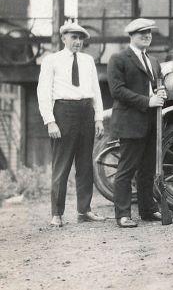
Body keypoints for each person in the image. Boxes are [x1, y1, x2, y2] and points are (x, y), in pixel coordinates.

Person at [37, 21, 106, 227]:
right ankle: (56, 213)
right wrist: (50, 121)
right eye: (73, 37)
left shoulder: (88, 61)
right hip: (63, 112)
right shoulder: (51, 60)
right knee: (62, 164)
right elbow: (43, 92)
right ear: (63, 38)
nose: (77, 41)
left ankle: (84, 210)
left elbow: (96, 90)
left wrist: (99, 117)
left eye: (80, 38)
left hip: (86, 111)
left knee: (85, 164)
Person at [107, 18, 167, 227]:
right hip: (130, 121)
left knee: (148, 170)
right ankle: (123, 215)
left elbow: (157, 85)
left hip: (152, 122)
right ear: (131, 35)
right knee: (126, 169)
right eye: (142, 33)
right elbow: (117, 91)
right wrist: (147, 101)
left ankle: (148, 210)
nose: (147, 36)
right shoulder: (118, 58)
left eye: (149, 32)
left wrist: (162, 91)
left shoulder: (153, 61)